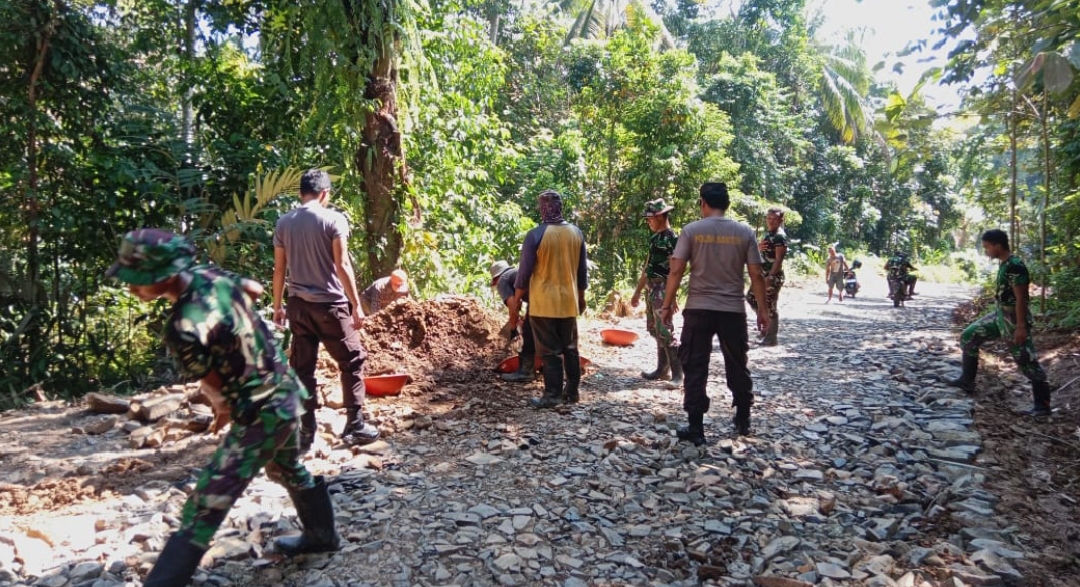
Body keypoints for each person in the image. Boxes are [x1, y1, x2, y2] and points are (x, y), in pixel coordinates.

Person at [107, 229, 340, 587]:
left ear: (166, 275)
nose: (132, 288)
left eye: (139, 279)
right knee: (285, 466)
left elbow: (215, 388)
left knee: (206, 503)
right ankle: (322, 536)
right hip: (288, 392)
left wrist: (224, 410)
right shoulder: (211, 276)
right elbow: (254, 288)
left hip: (262, 412)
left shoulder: (183, 327)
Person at [272, 168, 379, 450]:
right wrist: (355, 305)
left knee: (303, 367)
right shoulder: (333, 219)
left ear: (301, 194)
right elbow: (342, 265)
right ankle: (355, 424)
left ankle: (306, 429)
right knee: (352, 359)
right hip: (330, 305)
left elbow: (279, 269)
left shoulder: (284, 223)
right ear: (324, 194)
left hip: (298, 306)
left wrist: (278, 306)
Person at [659, 182, 769, 444]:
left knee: (695, 365)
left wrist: (666, 305)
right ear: (726, 204)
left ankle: (696, 427)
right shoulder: (744, 232)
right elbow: (757, 274)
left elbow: (676, 270)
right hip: (732, 310)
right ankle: (743, 418)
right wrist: (762, 311)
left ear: (703, 203)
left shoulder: (692, 230)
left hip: (698, 309)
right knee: (737, 363)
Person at [947, 229, 1052, 416]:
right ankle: (967, 381)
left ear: (998, 245)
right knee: (969, 335)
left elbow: (1021, 299)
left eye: (987, 247)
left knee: (1026, 360)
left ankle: (1043, 406)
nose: (986, 251)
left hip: (1014, 318)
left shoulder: (1015, 266)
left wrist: (1020, 327)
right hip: (1001, 314)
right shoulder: (1004, 264)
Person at [508, 190, 589, 409]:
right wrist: (581, 298)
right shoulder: (576, 233)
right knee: (570, 348)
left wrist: (517, 300)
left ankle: (552, 395)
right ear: (561, 207)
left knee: (549, 351)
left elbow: (523, 274)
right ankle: (572, 392)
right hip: (569, 302)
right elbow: (582, 272)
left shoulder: (536, 235)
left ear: (542, 209)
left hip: (544, 304)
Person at [630, 198, 682, 388]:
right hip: (651, 288)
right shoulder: (655, 238)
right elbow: (647, 267)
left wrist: (672, 296)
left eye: (650, 218)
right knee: (654, 328)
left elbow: (675, 269)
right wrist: (637, 292)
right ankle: (662, 369)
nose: (648, 221)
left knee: (665, 330)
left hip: (663, 288)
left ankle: (678, 375)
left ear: (660, 217)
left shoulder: (672, 239)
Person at [746, 208, 788, 345]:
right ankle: (766, 327)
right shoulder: (769, 234)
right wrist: (758, 248)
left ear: (781, 220)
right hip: (762, 275)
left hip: (772, 276)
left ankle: (771, 338)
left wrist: (770, 277)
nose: (771, 221)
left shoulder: (780, 236)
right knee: (752, 298)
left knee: (769, 305)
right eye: (769, 218)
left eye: (775, 219)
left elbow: (779, 259)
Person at [490, 260, 536, 383]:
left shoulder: (502, 280)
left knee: (528, 334)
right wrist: (522, 318)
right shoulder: (515, 273)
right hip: (551, 296)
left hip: (538, 300)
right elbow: (518, 302)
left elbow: (513, 306)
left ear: (496, 278)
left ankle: (526, 372)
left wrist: (512, 329)